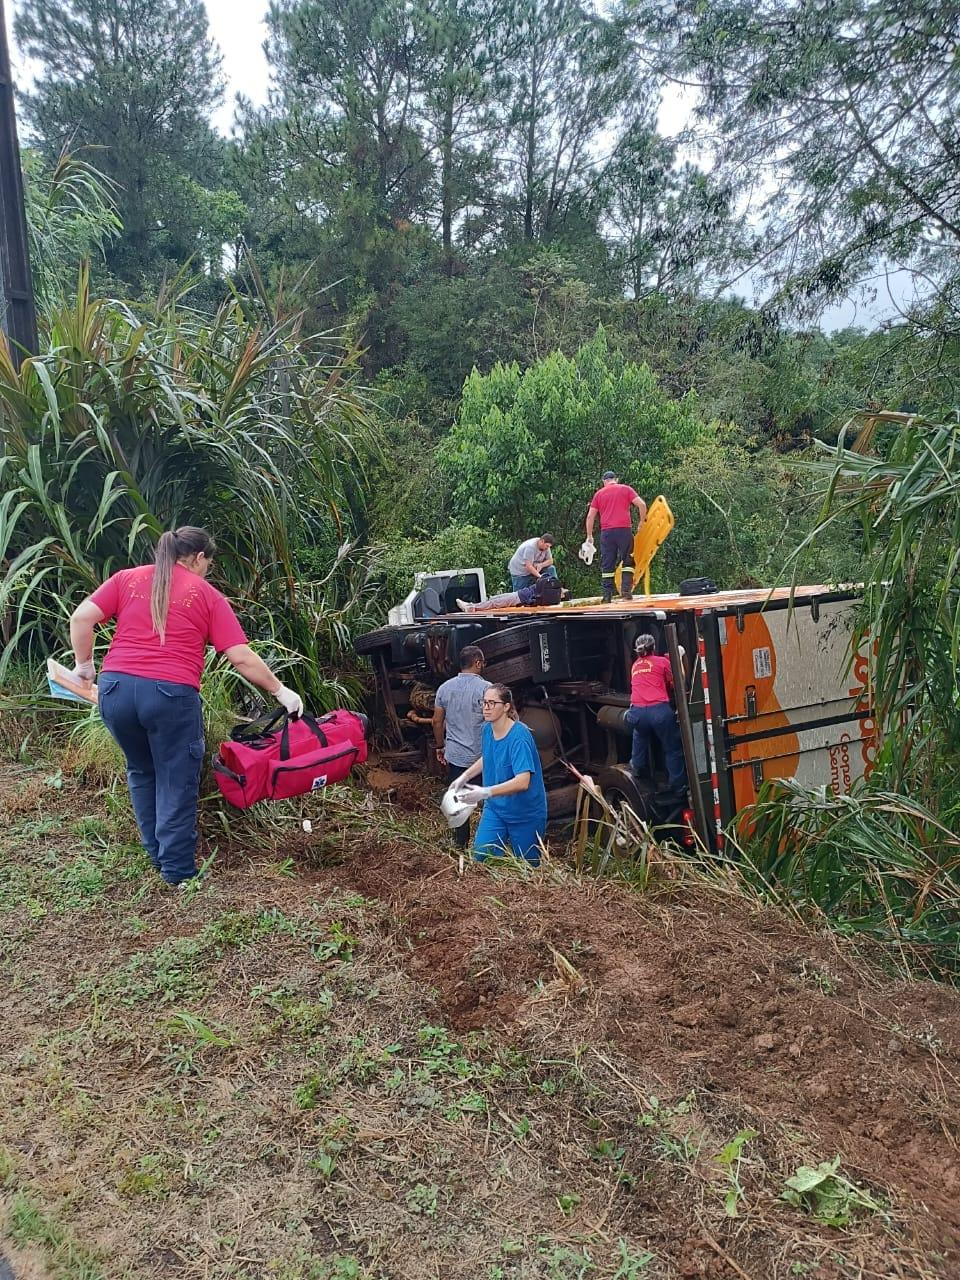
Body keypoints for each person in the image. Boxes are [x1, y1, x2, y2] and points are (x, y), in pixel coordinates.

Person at [68, 526, 304, 887]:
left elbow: (82, 618)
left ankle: (156, 854)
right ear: (198, 558)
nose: (207, 569)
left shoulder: (126, 580)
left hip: (115, 689)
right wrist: (281, 691)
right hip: (169, 695)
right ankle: (178, 872)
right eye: (208, 563)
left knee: (142, 770)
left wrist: (84, 666)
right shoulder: (207, 596)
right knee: (176, 779)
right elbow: (240, 656)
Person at [455, 684, 548, 866]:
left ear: (506, 707)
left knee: (527, 866)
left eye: (492, 703)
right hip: (496, 809)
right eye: (484, 702)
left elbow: (523, 781)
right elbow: (488, 757)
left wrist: (485, 792)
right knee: (481, 855)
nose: (486, 707)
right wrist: (464, 777)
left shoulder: (519, 736)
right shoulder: (487, 730)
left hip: (525, 813)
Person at [432, 645, 490, 849]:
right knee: (489, 799)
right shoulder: (487, 690)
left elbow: (437, 722)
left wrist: (440, 746)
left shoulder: (444, 688)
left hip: (456, 755)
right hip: (482, 758)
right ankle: (488, 842)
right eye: (482, 663)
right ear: (477, 663)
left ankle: (461, 843)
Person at [624, 634, 686, 791]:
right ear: (654, 647)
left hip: (636, 712)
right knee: (672, 747)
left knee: (640, 734)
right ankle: (677, 785)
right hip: (659, 712)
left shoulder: (635, 665)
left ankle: (637, 766)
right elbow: (676, 683)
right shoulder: (662, 662)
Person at [584, 471, 647, 603]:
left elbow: (590, 516)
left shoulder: (599, 494)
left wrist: (589, 536)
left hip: (607, 533)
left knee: (607, 564)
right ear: (616, 479)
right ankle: (626, 591)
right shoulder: (626, 489)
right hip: (624, 530)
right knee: (628, 561)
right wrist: (641, 522)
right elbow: (641, 504)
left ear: (604, 481)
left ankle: (607, 595)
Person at [456, 578, 568, 611]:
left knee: (495, 603)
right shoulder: (552, 586)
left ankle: (471, 607)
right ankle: (473, 605)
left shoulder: (552, 594)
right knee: (495, 598)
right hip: (519, 593)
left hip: (520, 597)